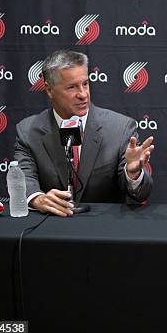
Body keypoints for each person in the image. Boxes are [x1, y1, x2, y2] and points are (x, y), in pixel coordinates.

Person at [14, 50, 154, 216]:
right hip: (51, 228)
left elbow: (141, 194)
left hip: (103, 229)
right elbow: (23, 179)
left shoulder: (120, 128)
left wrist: (133, 174)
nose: (83, 94)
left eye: (85, 84)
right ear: (49, 90)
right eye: (72, 87)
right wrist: (38, 199)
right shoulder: (28, 131)